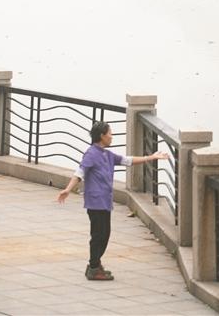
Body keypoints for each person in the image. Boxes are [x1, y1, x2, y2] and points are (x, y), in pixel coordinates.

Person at [57, 120, 169, 281]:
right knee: (98, 235)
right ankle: (94, 267)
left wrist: (150, 157)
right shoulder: (91, 153)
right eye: (109, 133)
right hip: (95, 203)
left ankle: (95, 264)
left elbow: (127, 160)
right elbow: (80, 172)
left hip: (104, 202)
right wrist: (68, 189)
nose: (112, 136)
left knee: (105, 234)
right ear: (102, 136)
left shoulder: (107, 154)